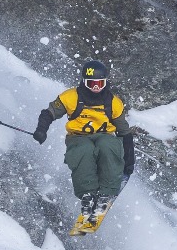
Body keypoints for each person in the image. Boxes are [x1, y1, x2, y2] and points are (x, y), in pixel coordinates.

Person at [33, 58, 136, 225]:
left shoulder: (113, 102)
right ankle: (87, 194)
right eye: (91, 84)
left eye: (100, 84)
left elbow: (124, 132)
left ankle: (106, 192)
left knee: (107, 145)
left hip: (105, 136)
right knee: (84, 150)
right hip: (78, 137)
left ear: (105, 82)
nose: (96, 88)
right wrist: (41, 130)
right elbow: (49, 113)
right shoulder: (71, 97)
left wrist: (129, 161)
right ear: (84, 82)